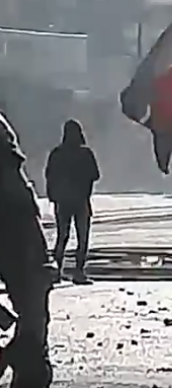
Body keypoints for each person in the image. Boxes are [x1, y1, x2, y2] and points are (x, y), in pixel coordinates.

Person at [0, 111, 55, 387]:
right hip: (19, 218)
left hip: (16, 220)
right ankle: (26, 355)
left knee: (33, 306)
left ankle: (26, 356)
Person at [45, 120, 100, 285]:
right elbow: (95, 174)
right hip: (81, 200)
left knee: (62, 237)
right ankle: (78, 272)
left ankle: (57, 272)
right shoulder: (85, 153)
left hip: (62, 201)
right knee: (82, 238)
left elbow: (49, 175)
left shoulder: (57, 153)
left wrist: (53, 195)